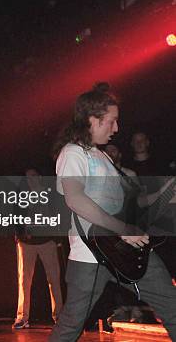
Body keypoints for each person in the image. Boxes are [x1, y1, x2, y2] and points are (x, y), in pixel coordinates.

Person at [48, 82, 176, 341]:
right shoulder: (73, 153)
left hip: (128, 249)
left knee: (172, 307)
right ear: (92, 120)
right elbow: (75, 199)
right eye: (111, 121)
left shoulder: (104, 157)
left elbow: (132, 203)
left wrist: (167, 193)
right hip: (90, 254)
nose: (116, 128)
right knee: (71, 325)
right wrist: (124, 230)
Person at [13, 168, 63, 329]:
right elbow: (16, 216)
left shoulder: (50, 194)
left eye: (33, 176)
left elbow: (59, 214)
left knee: (54, 279)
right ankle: (22, 317)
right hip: (27, 243)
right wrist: (20, 235)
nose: (30, 180)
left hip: (47, 241)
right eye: (27, 177)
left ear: (40, 177)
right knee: (24, 281)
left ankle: (59, 316)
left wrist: (58, 238)